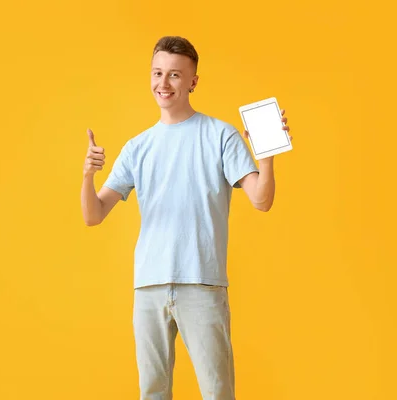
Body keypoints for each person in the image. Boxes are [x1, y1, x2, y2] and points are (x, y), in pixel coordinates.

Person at [81, 36, 292, 400]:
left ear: (193, 81)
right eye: (157, 73)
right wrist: (87, 176)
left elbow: (261, 199)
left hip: (202, 282)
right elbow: (94, 214)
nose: (163, 84)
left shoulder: (220, 135)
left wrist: (266, 154)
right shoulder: (137, 147)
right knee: (153, 393)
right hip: (149, 285)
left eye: (175, 75)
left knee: (218, 391)